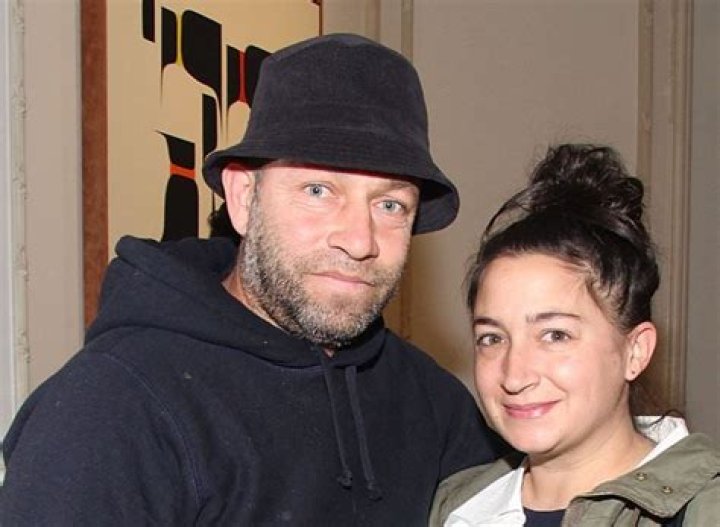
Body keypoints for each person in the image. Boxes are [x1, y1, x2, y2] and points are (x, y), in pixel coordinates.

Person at [0, 34, 504, 525]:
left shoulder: (433, 403)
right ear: (243, 198)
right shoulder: (114, 405)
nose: (359, 240)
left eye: (390, 205)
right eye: (318, 191)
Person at [430, 144, 720, 526]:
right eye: (492, 338)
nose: (515, 376)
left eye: (555, 335)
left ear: (635, 350)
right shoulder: (456, 506)